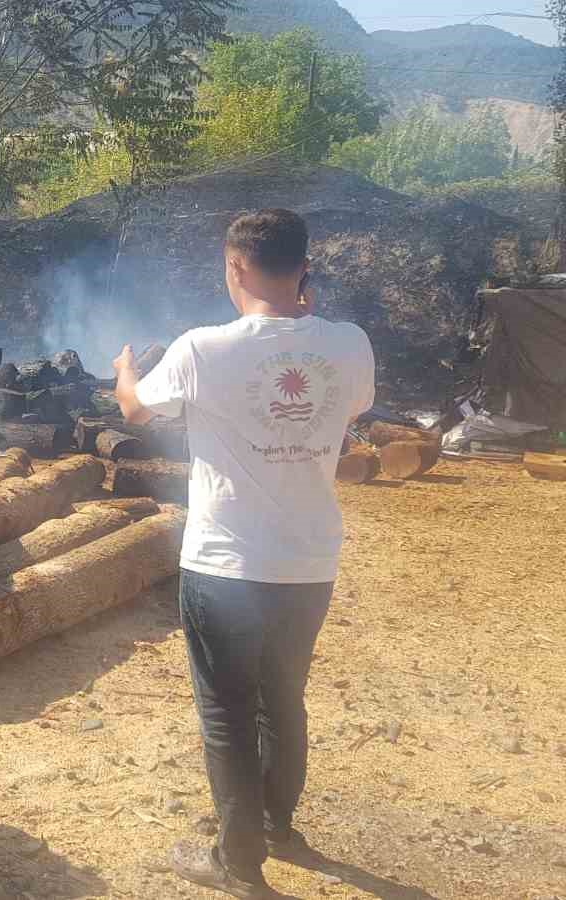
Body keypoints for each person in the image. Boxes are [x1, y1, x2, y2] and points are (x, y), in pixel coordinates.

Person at [114, 209, 375, 898]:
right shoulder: (350, 345)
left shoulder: (202, 348)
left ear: (235, 266)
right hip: (308, 560)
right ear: (303, 267)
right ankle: (277, 826)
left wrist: (122, 374)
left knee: (227, 712)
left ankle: (239, 862)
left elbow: (136, 413)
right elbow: (345, 412)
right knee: (283, 698)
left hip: (225, 565)